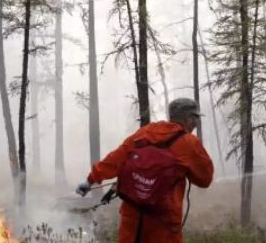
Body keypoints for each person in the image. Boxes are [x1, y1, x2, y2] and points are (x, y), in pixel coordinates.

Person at [75, 98, 213, 243]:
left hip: (132, 218)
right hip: (164, 221)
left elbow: (115, 159)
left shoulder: (146, 132)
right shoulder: (190, 143)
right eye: (196, 118)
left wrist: (90, 180)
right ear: (188, 118)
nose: (196, 124)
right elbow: (205, 179)